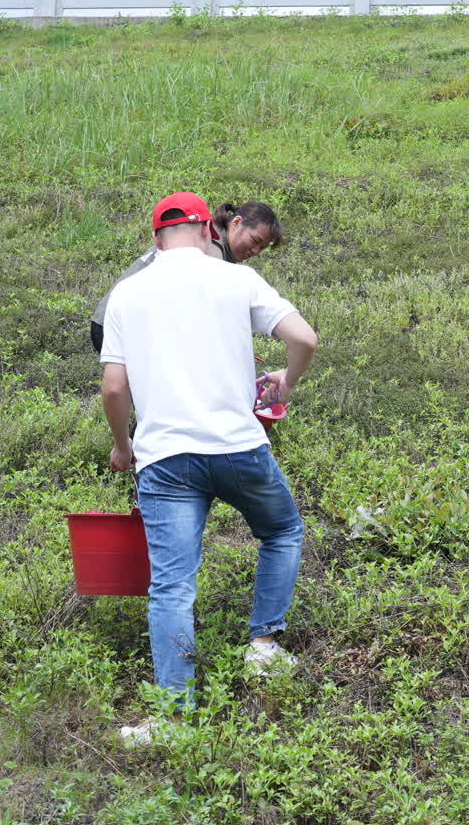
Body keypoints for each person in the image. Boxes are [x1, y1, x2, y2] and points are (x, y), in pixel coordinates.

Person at [99, 191, 318, 743]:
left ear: (156, 238)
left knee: (172, 585)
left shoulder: (127, 293)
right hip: (238, 446)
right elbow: (304, 338)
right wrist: (286, 381)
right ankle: (263, 648)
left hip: (166, 459)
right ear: (207, 230)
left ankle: (174, 718)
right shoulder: (235, 280)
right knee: (282, 531)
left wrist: (124, 447)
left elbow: (114, 386)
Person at [89, 200, 284, 352]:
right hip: (120, 323)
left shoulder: (202, 235)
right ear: (237, 222)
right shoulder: (211, 250)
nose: (256, 250)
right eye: (255, 240)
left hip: (118, 319)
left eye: (262, 247)